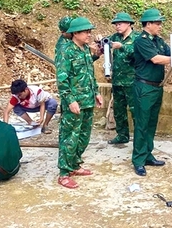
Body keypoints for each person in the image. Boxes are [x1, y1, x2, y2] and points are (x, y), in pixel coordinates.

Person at [55, 17, 103, 189]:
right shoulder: (65, 51)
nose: (89, 35)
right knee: (69, 137)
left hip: (87, 100)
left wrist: (96, 92)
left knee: (83, 136)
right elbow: (62, 80)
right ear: (75, 33)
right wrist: (70, 100)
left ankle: (74, 165)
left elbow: (90, 74)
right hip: (74, 103)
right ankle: (64, 173)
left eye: (90, 31)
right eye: (86, 32)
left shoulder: (83, 50)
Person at [131, 8, 171, 177]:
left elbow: (170, 53)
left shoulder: (159, 41)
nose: (160, 26)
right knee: (142, 124)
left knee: (151, 123)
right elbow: (156, 59)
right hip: (144, 87)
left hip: (156, 87)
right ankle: (138, 160)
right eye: (157, 23)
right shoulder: (142, 41)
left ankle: (148, 155)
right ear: (148, 24)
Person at [107, 12, 139, 145]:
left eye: (120, 24)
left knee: (135, 110)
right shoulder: (115, 37)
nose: (117, 26)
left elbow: (138, 53)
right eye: (116, 24)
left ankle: (139, 138)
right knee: (119, 110)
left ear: (129, 24)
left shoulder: (137, 37)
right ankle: (122, 135)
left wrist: (122, 46)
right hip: (117, 81)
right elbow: (106, 43)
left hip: (132, 81)